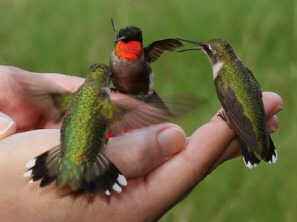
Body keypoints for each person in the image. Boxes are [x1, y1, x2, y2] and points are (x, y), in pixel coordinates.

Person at [0, 65, 283, 221]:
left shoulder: (67, 99)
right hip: (89, 151)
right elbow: (148, 110)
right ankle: (92, 173)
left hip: (64, 146)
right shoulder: (110, 106)